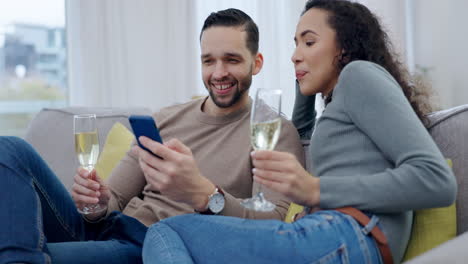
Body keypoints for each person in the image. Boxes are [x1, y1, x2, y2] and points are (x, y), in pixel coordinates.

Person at [142, 1, 457, 263]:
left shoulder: (359, 75)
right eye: (295, 44)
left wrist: (317, 190)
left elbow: (437, 181)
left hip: (349, 233)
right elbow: (304, 132)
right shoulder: (340, 101)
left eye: (309, 41)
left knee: (166, 231)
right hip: (342, 238)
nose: (294, 53)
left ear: (344, 48)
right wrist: (305, 74)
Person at [0, 8, 304, 264]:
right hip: (110, 229)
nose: (218, 72)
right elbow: (113, 200)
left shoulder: (272, 131)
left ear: (257, 62)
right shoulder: (167, 117)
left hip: (149, 244)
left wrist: (206, 195)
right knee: (9, 149)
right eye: (208, 60)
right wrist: (95, 201)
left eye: (232, 60)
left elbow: (275, 226)